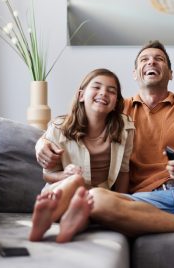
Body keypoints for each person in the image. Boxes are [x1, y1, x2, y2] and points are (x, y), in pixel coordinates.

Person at [36, 41, 174, 268]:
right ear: (135, 73)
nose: (151, 61)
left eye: (159, 59)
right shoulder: (116, 108)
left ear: (170, 73)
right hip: (146, 199)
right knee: (95, 199)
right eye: (144, 59)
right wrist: (42, 142)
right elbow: (76, 121)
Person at [29, 68, 135, 243]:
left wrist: (121, 200)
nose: (104, 93)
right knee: (75, 182)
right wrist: (67, 175)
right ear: (81, 95)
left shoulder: (126, 129)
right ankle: (49, 216)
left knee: (90, 202)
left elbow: (124, 170)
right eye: (97, 87)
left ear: (116, 102)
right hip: (62, 193)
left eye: (111, 91)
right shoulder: (58, 128)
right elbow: (46, 174)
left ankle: (73, 222)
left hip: (96, 196)